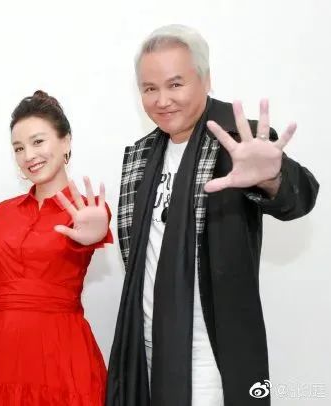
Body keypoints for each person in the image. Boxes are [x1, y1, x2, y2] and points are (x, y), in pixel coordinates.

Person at [105, 24, 319, 406]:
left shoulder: (238, 142)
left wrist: (272, 177)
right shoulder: (141, 155)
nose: (162, 100)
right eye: (149, 89)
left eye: (175, 84)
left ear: (206, 79)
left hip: (211, 355)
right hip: (146, 349)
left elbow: (299, 199)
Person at [0, 90, 113, 405]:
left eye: (38, 142)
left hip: (61, 355)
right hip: (2, 359)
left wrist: (96, 229)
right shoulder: (2, 213)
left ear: (66, 142)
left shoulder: (88, 210)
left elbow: (93, 230)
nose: (28, 155)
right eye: (18, 148)